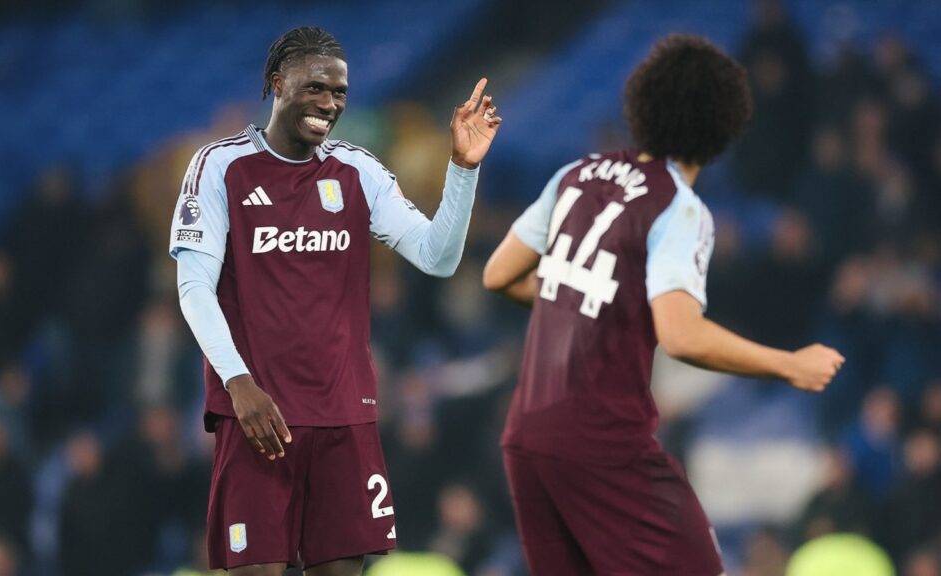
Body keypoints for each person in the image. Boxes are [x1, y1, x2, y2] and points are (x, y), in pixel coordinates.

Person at [482, 34, 843, 575]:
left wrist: (591, 304)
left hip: (527, 439)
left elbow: (499, 274)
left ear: (642, 106)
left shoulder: (577, 175)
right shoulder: (679, 208)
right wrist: (789, 364)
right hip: (602, 443)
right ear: (723, 127)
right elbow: (681, 335)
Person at [170, 26, 501, 575]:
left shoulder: (356, 171)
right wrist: (237, 382)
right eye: (315, 87)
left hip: (345, 417)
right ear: (278, 83)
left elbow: (437, 257)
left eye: (339, 92)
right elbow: (193, 287)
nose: (329, 103)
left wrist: (463, 169)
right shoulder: (220, 166)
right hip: (259, 417)